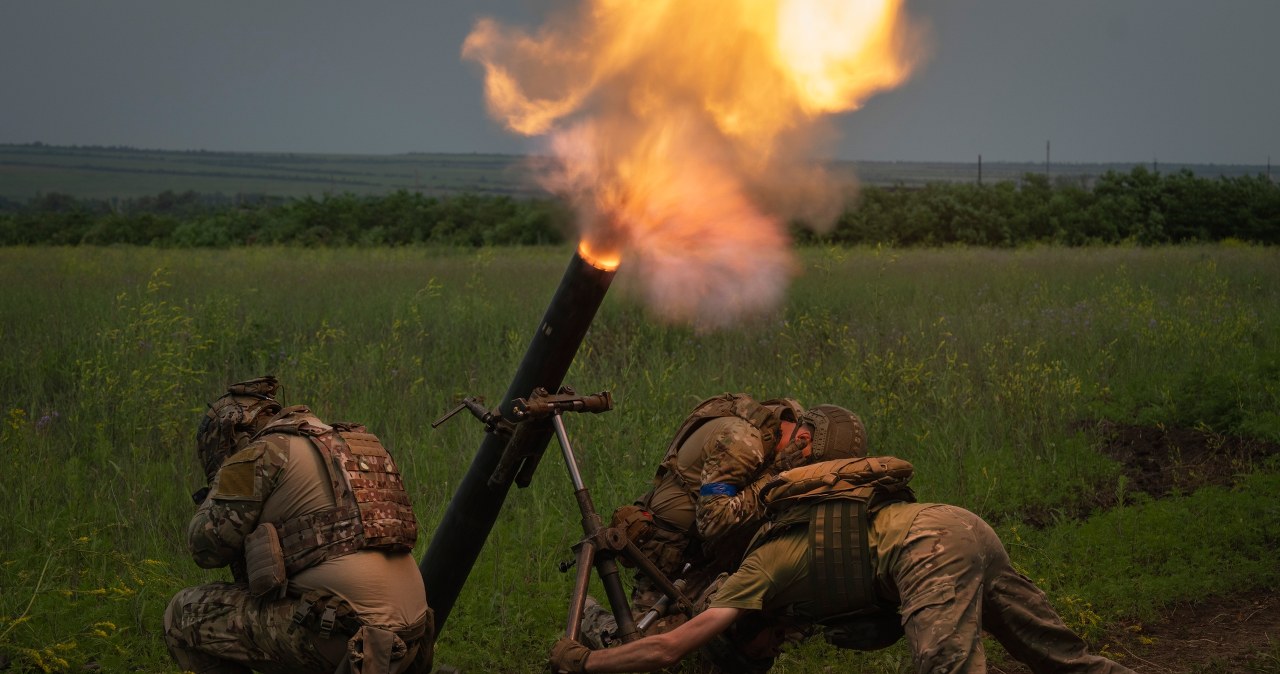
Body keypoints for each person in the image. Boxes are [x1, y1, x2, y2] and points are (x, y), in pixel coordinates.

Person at [550, 455, 1135, 674]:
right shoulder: (787, 588)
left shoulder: (757, 575)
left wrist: (588, 661)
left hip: (927, 551)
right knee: (1056, 654)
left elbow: (669, 647)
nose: (772, 654)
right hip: (961, 527)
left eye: (758, 655)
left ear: (748, 629)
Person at [163, 375, 434, 674]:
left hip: (349, 639)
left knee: (184, 613)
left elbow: (205, 548)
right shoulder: (355, 444)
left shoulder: (261, 452)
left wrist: (218, 484)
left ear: (233, 434)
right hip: (412, 638)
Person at [583, 396, 867, 647]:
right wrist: (777, 479)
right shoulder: (743, 442)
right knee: (643, 649)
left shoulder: (790, 427)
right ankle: (589, 616)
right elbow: (713, 521)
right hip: (676, 553)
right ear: (804, 440)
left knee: (771, 630)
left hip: (717, 548)